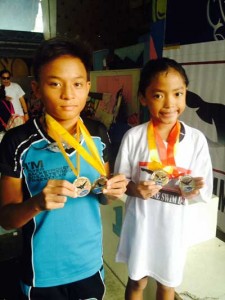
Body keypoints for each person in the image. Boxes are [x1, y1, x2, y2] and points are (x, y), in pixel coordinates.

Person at [0, 36, 127, 300]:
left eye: (78, 84)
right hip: (42, 272)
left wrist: (111, 191)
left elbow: (100, 195)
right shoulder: (18, 142)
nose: (68, 95)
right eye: (55, 83)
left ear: (87, 87)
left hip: (90, 265)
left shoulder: (98, 135)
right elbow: (6, 218)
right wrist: (36, 203)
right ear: (36, 89)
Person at [114, 57, 213, 300]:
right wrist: (135, 189)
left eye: (177, 94)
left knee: (167, 286)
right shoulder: (134, 136)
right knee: (137, 281)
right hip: (142, 225)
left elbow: (202, 187)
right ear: (143, 97)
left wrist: (191, 189)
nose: (169, 103)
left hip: (173, 229)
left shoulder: (195, 139)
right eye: (158, 95)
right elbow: (122, 181)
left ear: (185, 94)